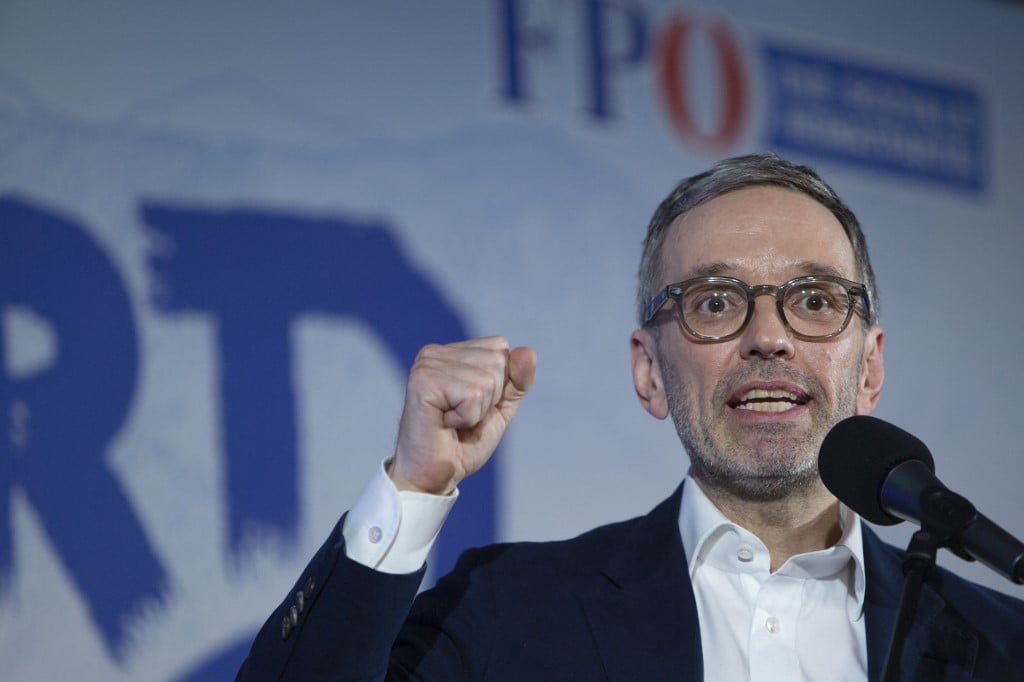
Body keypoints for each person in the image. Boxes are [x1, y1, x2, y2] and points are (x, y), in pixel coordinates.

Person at [236, 154, 1024, 681]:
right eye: (715, 303)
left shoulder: (1000, 643)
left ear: (871, 366)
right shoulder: (514, 608)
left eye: (815, 301)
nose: (770, 337)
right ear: (650, 372)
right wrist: (412, 489)